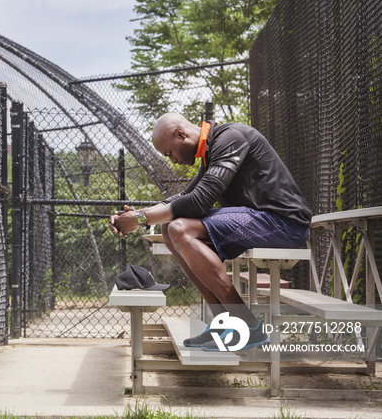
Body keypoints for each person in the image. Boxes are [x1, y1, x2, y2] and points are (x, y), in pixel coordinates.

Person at [109, 113, 312, 351]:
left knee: (179, 227)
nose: (172, 160)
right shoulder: (212, 150)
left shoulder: (230, 138)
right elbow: (184, 197)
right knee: (169, 227)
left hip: (283, 223)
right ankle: (223, 321)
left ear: (180, 134)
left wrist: (140, 219)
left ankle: (247, 326)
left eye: (169, 152)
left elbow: (199, 201)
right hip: (259, 219)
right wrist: (134, 215)